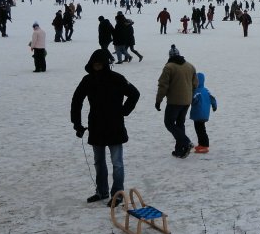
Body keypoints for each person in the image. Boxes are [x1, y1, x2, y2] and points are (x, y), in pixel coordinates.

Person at [71, 49, 140, 205]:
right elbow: (76, 101)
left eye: (100, 63)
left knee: (117, 163)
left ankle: (118, 194)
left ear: (105, 64)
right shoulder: (87, 80)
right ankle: (102, 191)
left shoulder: (117, 78)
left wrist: (124, 111)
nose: (97, 66)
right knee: (99, 162)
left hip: (115, 126)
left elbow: (135, 93)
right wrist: (76, 123)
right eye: (94, 64)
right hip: (96, 126)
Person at [155, 44, 197, 158]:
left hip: (174, 101)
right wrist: (190, 96)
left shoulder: (169, 67)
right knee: (180, 123)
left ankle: (186, 142)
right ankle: (179, 150)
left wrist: (158, 100)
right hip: (186, 101)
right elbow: (195, 84)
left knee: (169, 123)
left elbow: (163, 85)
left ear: (170, 56)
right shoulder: (190, 66)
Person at [190, 72, 218, 153]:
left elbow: (193, 100)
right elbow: (213, 99)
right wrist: (214, 106)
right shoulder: (206, 90)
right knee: (201, 129)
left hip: (198, 114)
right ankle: (201, 144)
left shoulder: (196, 91)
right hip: (205, 114)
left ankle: (204, 145)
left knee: (200, 130)